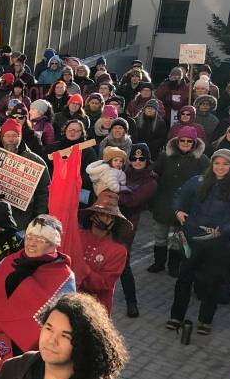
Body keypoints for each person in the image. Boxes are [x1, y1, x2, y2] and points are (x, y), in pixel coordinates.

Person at [0, 215, 76, 379]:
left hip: (31, 351)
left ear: (53, 244)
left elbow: (60, 317)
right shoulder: (12, 260)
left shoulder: (64, 275)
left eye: (40, 239)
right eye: (29, 237)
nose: (32, 244)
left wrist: (26, 284)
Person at [166, 149, 230, 335]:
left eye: (225, 164)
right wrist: (177, 211)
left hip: (220, 243)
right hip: (193, 239)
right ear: (212, 164)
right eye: (217, 163)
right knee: (184, 278)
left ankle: (205, 320)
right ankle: (176, 316)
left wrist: (223, 230)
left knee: (213, 282)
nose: (220, 167)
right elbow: (179, 194)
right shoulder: (198, 180)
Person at [148, 128, 209, 277]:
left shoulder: (202, 160)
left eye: (190, 141)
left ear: (195, 143)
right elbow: (152, 173)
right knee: (160, 236)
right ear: (177, 141)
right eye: (183, 140)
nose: (186, 143)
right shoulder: (165, 156)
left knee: (178, 239)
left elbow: (208, 181)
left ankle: (174, 266)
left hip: (185, 206)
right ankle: (159, 263)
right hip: (163, 202)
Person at [117, 143, 157, 318]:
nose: (137, 161)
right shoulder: (123, 172)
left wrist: (116, 194)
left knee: (123, 264)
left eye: (142, 158)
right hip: (109, 220)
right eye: (134, 158)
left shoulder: (151, 180)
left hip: (127, 225)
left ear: (147, 160)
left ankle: (131, 302)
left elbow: (134, 201)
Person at [75, 192, 132, 315]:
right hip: (70, 300)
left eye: (111, 216)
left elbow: (105, 283)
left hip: (95, 309)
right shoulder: (76, 236)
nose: (107, 219)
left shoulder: (118, 251)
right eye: (102, 214)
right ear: (92, 216)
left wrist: (83, 269)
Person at [0, 119, 51, 230]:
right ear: (2, 138)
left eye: (15, 136)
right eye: (7, 136)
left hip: (23, 218)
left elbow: (43, 191)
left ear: (20, 137)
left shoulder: (35, 161)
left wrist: (38, 215)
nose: (11, 139)